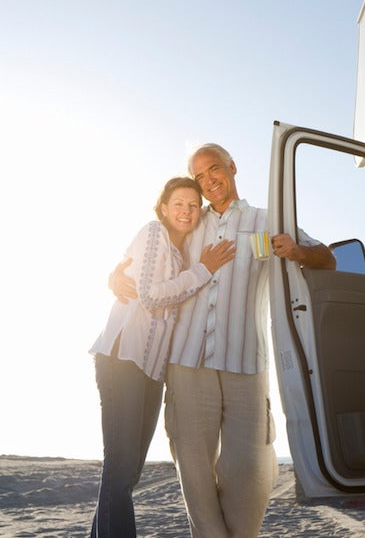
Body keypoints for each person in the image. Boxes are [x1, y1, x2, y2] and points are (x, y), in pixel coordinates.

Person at [113, 143, 334, 538]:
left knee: (249, 471)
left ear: (232, 167)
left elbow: (327, 258)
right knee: (194, 471)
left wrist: (298, 250)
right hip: (186, 363)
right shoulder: (186, 223)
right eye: (199, 177)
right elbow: (143, 262)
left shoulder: (267, 219)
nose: (208, 181)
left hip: (246, 363)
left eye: (214, 169)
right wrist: (114, 276)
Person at [90, 177, 236, 537]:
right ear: (164, 208)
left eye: (192, 205)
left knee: (127, 472)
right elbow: (151, 296)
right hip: (123, 359)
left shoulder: (180, 252)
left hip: (153, 371)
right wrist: (203, 270)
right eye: (178, 204)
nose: (185, 211)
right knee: (121, 469)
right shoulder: (154, 232)